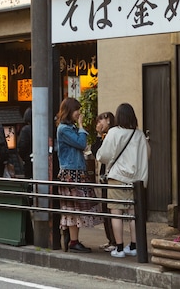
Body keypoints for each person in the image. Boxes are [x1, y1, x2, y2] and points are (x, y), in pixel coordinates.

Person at [96, 103, 149, 258]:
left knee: (116, 213)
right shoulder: (139, 135)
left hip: (117, 178)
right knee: (133, 214)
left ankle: (118, 248)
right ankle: (133, 246)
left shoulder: (113, 133)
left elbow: (103, 155)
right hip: (135, 181)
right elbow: (147, 154)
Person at [55, 97, 102, 253]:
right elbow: (81, 144)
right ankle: (73, 241)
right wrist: (81, 126)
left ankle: (73, 240)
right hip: (71, 173)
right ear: (69, 110)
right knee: (73, 209)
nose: (79, 113)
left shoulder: (69, 127)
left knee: (75, 209)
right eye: (77, 110)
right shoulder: (64, 129)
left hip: (75, 171)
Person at [92, 110, 118, 252]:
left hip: (111, 176)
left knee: (110, 209)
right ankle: (111, 240)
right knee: (105, 209)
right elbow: (97, 152)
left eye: (100, 120)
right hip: (105, 175)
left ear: (108, 120)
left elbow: (99, 153)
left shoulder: (113, 135)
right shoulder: (104, 136)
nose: (99, 124)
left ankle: (114, 241)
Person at [17, 108, 33, 179]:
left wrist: (24, 157)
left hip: (28, 159)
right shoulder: (43, 128)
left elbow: (22, 146)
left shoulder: (25, 130)